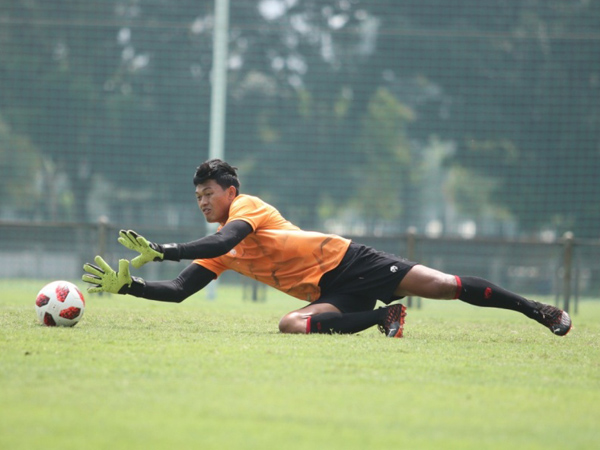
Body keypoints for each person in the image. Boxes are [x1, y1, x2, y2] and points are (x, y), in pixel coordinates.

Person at [82, 159, 572, 338]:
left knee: (443, 285)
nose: (202, 202)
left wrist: (165, 248)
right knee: (290, 324)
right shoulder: (218, 247)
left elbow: (227, 238)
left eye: (207, 194)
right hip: (329, 290)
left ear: (230, 192)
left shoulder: (246, 208)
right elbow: (179, 292)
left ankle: (539, 311)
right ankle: (385, 319)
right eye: (197, 197)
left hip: (349, 260)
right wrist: (131, 286)